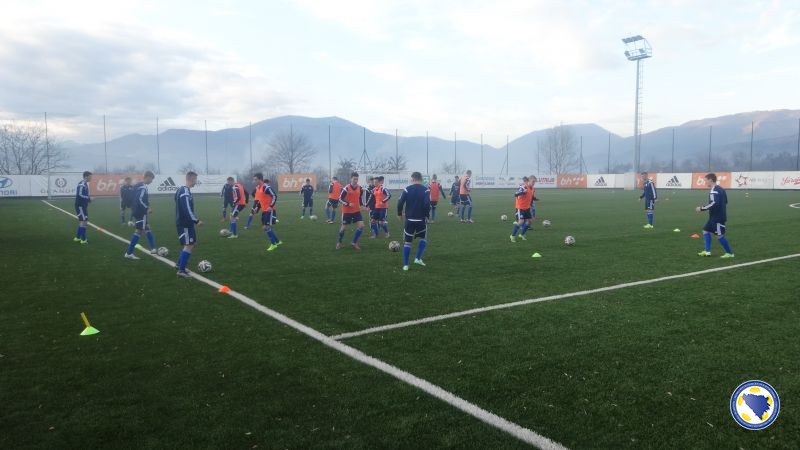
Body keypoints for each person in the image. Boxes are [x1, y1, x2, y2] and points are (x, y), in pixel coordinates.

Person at [397, 171, 431, 271]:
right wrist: (427, 215)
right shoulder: (426, 190)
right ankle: (417, 258)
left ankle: (406, 265)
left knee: (408, 242)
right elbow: (427, 204)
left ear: (413, 179)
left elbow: (400, 203)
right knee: (423, 238)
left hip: (409, 220)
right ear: (421, 179)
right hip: (421, 219)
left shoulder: (407, 189)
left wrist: (399, 214)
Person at [695, 173, 734, 258]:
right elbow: (725, 201)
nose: (705, 182)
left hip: (718, 218)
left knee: (719, 236)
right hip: (714, 217)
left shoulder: (714, 191)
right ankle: (707, 251)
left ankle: (730, 253)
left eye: (706, 180)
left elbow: (714, 204)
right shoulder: (721, 189)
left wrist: (701, 208)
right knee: (705, 230)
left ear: (710, 180)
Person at [175, 171, 203, 278]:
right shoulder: (185, 191)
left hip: (186, 222)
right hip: (185, 223)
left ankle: (179, 264)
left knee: (192, 243)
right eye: (195, 179)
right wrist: (196, 220)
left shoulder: (182, 190)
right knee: (189, 245)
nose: (196, 181)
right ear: (191, 179)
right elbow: (187, 209)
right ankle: (181, 271)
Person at [124, 171, 158, 259]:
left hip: (136, 210)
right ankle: (129, 253)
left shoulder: (138, 185)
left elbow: (134, 199)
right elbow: (139, 199)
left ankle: (153, 249)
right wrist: (147, 208)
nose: (151, 181)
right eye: (151, 179)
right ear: (148, 177)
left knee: (147, 227)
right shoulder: (143, 187)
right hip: (141, 211)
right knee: (139, 231)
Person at [336, 172, 365, 250]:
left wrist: (361, 205)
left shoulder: (360, 188)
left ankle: (354, 242)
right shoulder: (346, 188)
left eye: (357, 179)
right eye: (354, 179)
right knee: (344, 228)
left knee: (361, 226)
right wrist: (348, 204)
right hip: (347, 211)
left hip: (356, 211)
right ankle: (339, 242)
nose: (356, 181)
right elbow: (340, 199)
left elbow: (360, 198)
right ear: (351, 179)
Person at [254, 173, 282, 251]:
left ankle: (273, 244)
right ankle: (277, 241)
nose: (254, 181)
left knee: (266, 227)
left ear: (260, 179)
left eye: (256, 179)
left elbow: (274, 196)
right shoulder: (258, 188)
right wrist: (257, 207)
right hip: (264, 210)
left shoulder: (266, 187)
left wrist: (271, 206)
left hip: (270, 210)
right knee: (265, 227)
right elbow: (260, 199)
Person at [510, 176, 533, 242]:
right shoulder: (523, 187)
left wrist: (533, 200)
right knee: (521, 221)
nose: (534, 183)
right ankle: (512, 235)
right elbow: (516, 194)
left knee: (529, 222)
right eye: (533, 181)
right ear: (528, 181)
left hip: (527, 208)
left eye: (535, 182)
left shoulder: (531, 188)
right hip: (521, 207)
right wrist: (523, 192)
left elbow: (530, 196)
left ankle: (522, 234)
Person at [73, 171, 92, 244]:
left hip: (83, 206)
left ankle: (77, 237)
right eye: (90, 176)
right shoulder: (82, 184)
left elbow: (84, 195)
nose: (91, 178)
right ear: (86, 176)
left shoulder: (85, 184)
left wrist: (88, 200)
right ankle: (83, 239)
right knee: (83, 221)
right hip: (80, 206)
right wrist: (89, 198)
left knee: (84, 221)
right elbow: (80, 194)